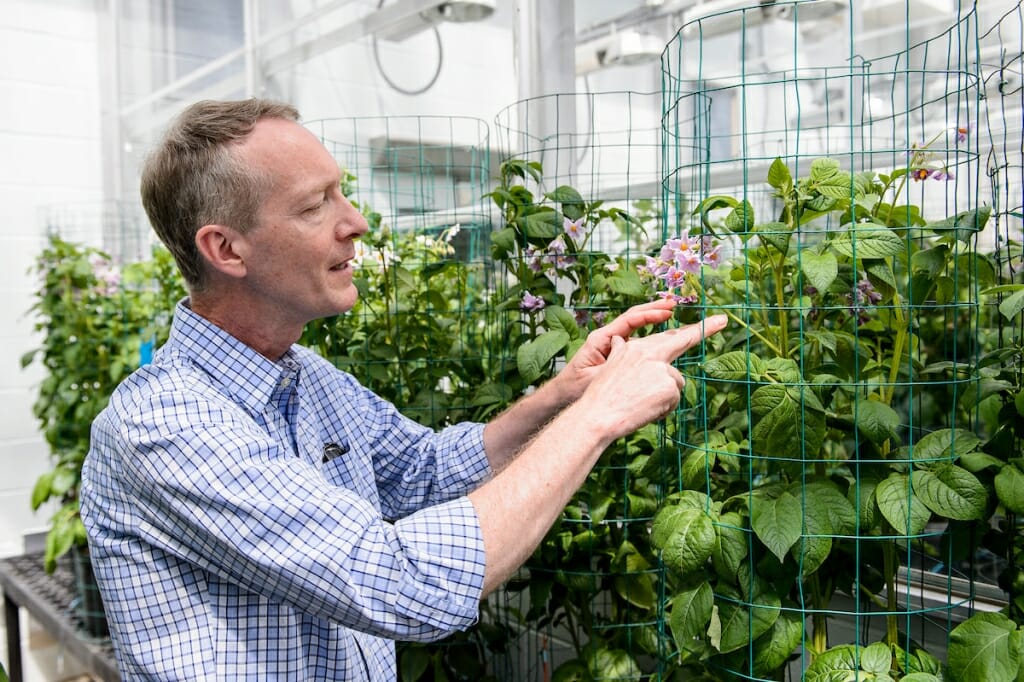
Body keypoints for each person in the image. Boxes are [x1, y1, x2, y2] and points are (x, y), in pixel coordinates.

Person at [80, 98, 727, 680]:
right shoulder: (165, 425)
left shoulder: (309, 379)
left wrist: (565, 395)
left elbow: (425, 470)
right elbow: (401, 583)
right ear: (226, 249)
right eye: (315, 205)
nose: (356, 222)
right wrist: (600, 417)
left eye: (343, 194)